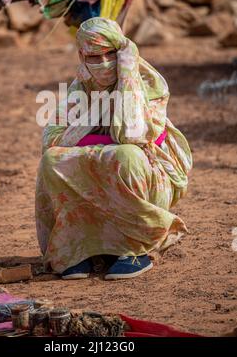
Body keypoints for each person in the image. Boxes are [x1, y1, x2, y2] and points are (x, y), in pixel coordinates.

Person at [35, 17, 192, 280]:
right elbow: (50, 139)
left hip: (152, 175)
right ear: (82, 55)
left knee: (126, 155)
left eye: (112, 54)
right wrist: (94, 129)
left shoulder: (150, 84)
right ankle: (78, 250)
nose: (105, 62)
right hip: (102, 172)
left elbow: (131, 134)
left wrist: (128, 72)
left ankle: (132, 249)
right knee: (52, 160)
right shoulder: (81, 88)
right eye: (95, 56)